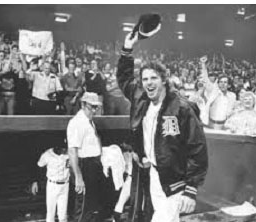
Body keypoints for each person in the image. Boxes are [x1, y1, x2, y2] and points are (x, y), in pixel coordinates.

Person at [117, 32, 208, 222]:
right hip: (154, 173)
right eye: (145, 79)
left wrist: (191, 190)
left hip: (176, 181)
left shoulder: (182, 108)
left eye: (154, 78)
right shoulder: (141, 98)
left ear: (164, 80)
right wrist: (127, 49)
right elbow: (124, 78)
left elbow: (197, 149)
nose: (149, 83)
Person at [67, 92, 115, 221]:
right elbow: (72, 151)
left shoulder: (89, 121)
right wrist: (78, 177)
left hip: (93, 165)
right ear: (82, 104)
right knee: (83, 207)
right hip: (84, 166)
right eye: (91, 107)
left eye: (96, 107)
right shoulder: (77, 122)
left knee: (92, 205)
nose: (94, 110)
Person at [37, 145, 70, 222]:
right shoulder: (47, 155)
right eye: (63, 149)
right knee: (50, 214)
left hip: (65, 185)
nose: (65, 150)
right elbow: (39, 166)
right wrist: (37, 181)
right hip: (52, 185)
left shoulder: (69, 153)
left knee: (63, 215)